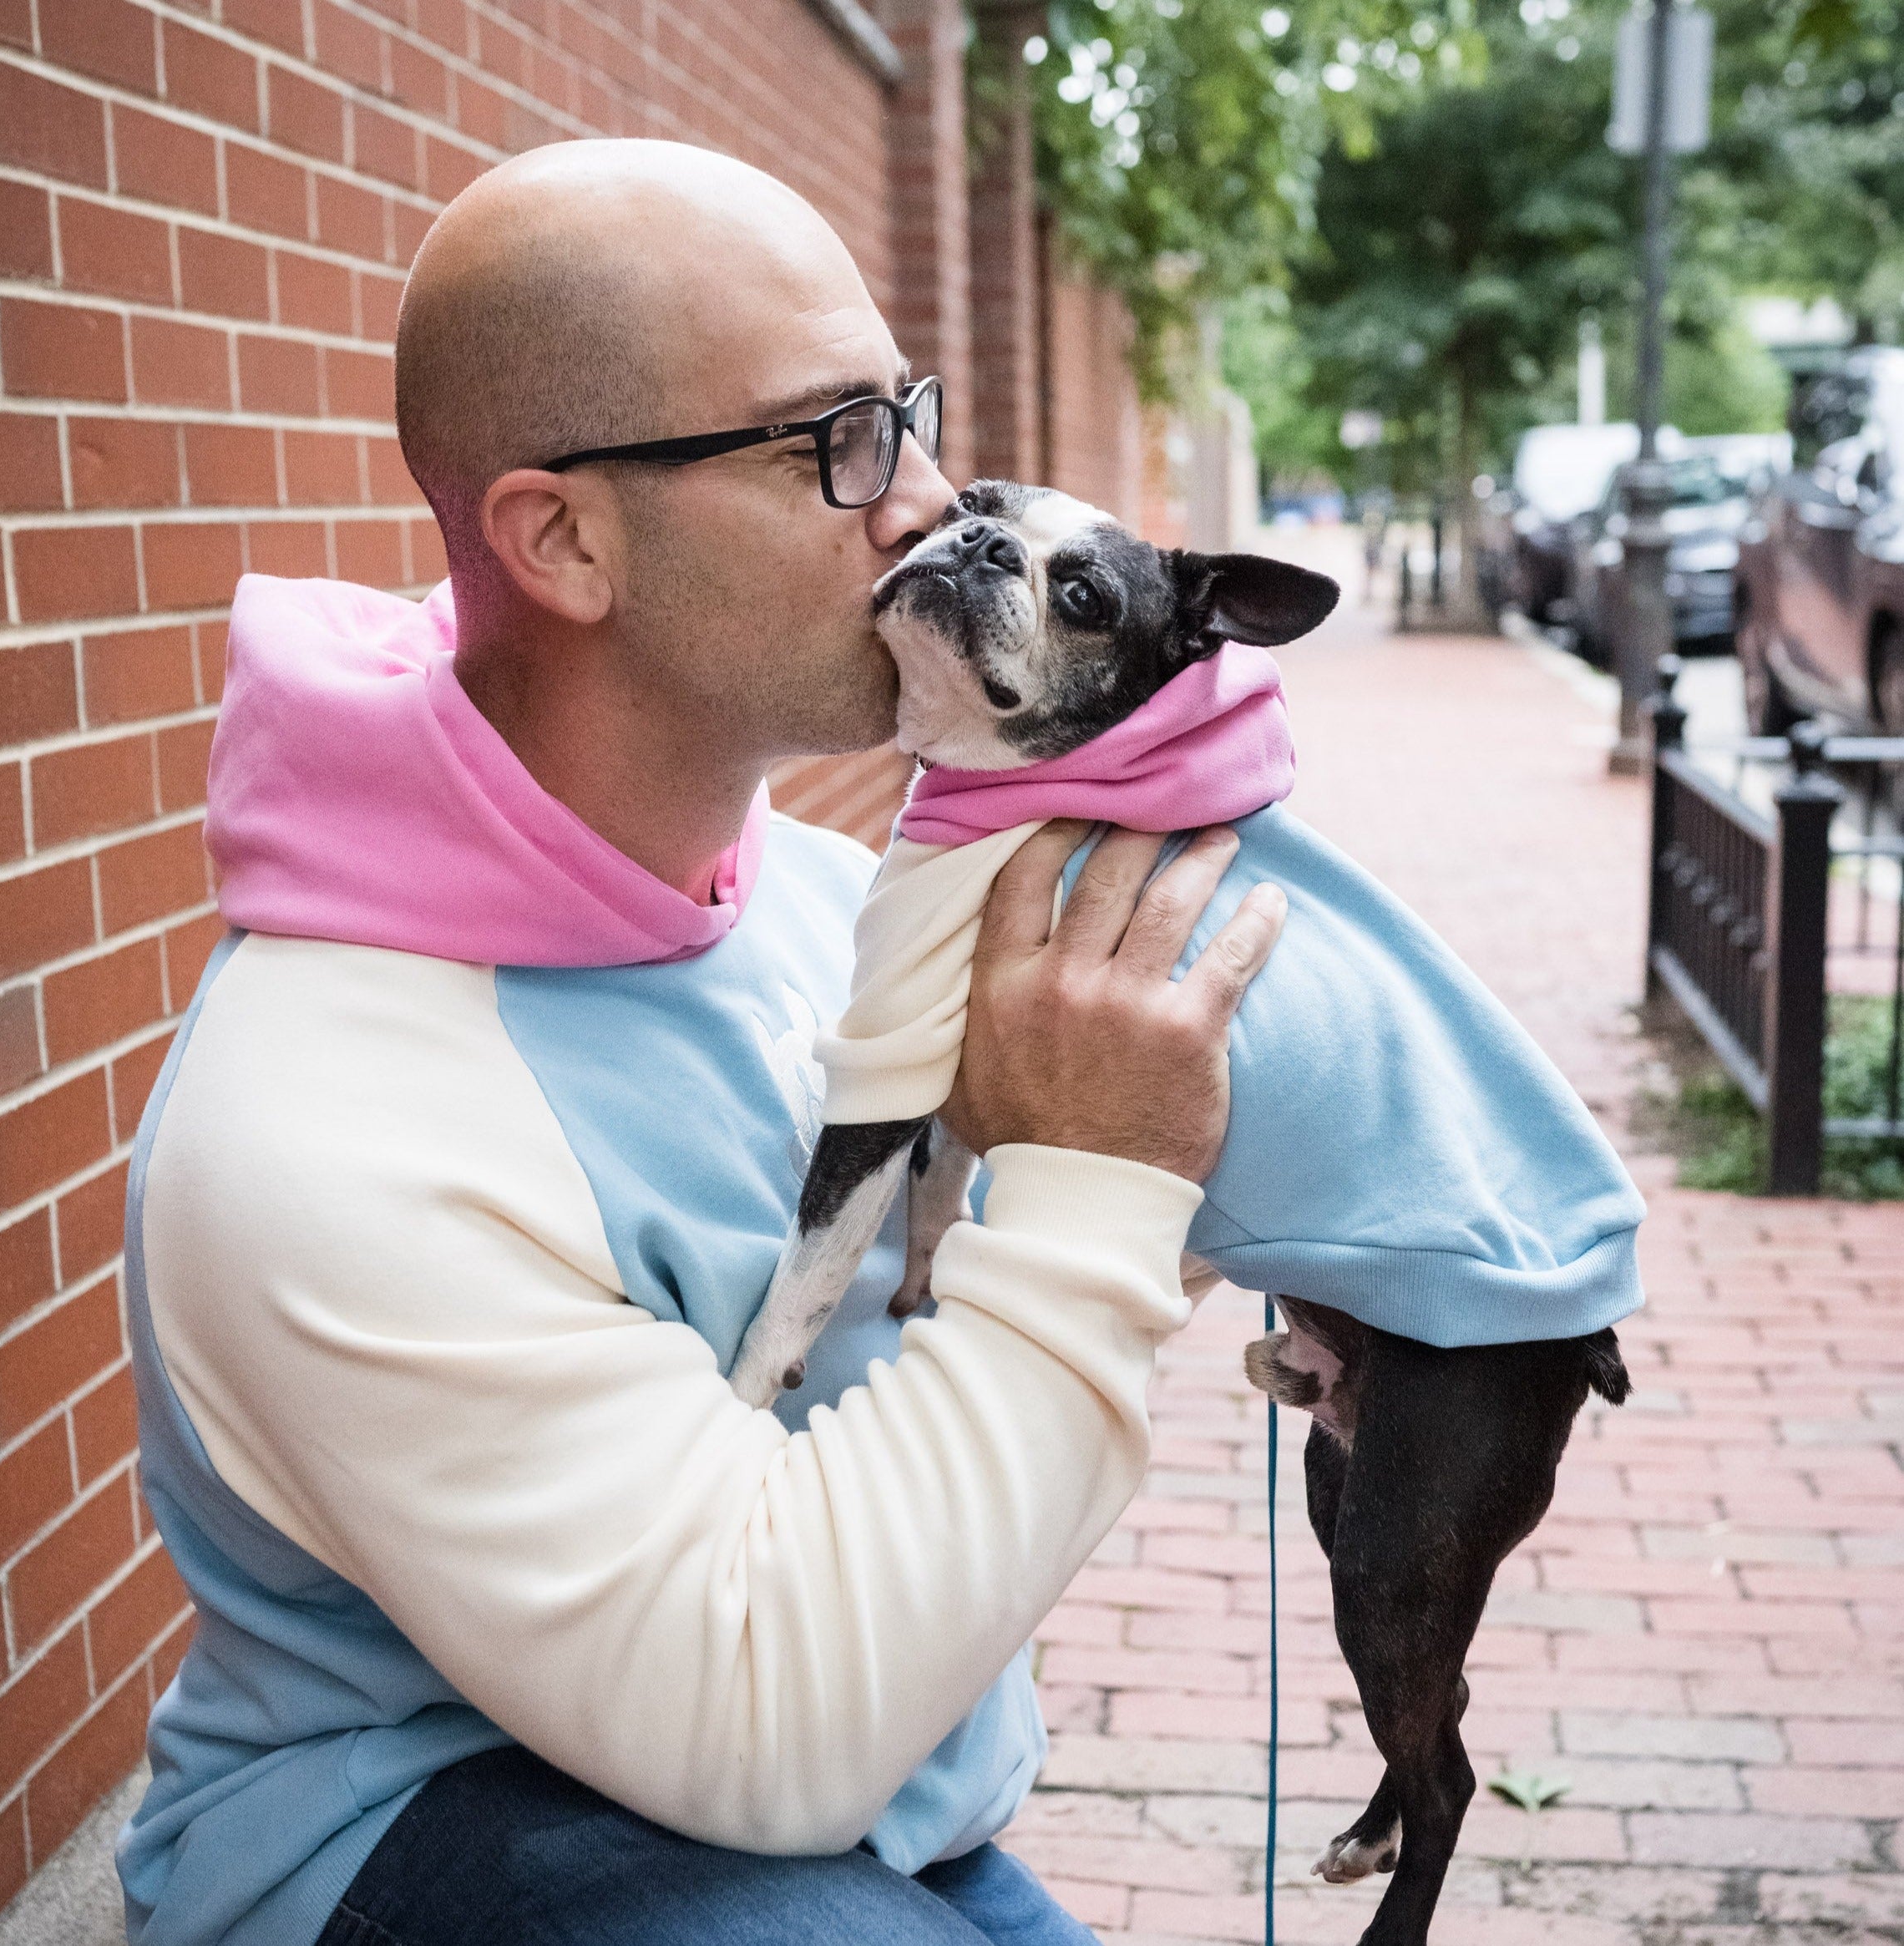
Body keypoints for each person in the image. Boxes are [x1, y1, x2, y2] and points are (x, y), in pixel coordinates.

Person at [116, 139, 1287, 1946]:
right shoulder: (323, 1126)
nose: (920, 500)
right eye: (830, 442)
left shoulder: (823, 902)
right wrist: (1100, 1184)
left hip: (874, 1792)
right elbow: (774, 1726)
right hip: (420, 1829)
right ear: (564, 538)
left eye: (906, 414)